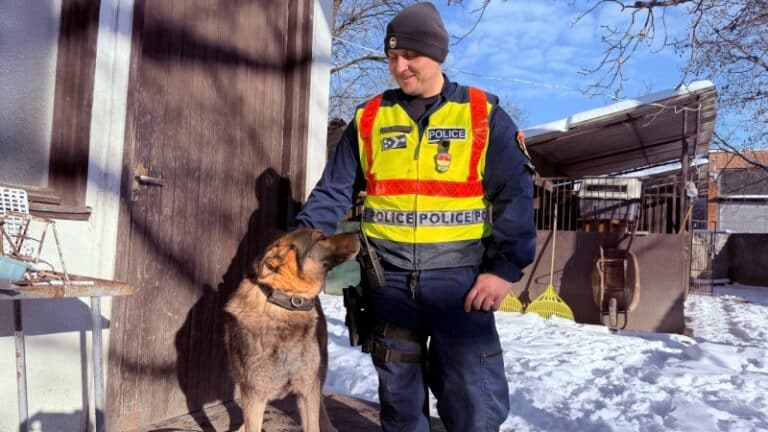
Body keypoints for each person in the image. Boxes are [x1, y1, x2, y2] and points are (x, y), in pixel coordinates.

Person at [295, 2, 536, 431]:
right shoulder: (369, 119)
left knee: (473, 402)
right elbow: (333, 191)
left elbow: (515, 195)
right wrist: (298, 245)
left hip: (460, 286)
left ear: (437, 54)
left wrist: (502, 270)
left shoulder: (481, 115)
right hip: (388, 283)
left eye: (410, 55)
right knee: (401, 407)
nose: (399, 67)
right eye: (392, 57)